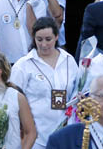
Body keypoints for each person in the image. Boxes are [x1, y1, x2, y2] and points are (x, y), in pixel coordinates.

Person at [10, 17, 78, 149]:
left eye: (48, 39)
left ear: (57, 37)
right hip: (37, 136)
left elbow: (76, 90)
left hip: (66, 131)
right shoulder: (23, 65)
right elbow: (13, 100)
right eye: (39, 40)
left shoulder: (69, 60)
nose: (44, 44)